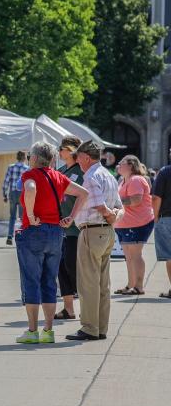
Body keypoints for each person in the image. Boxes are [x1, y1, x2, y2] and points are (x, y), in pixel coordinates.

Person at [13, 142, 88, 344]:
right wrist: (71, 217)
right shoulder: (58, 176)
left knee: (31, 280)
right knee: (49, 281)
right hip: (56, 232)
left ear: (35, 158)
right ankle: (48, 330)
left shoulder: (31, 174)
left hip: (34, 231)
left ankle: (31, 330)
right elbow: (84, 193)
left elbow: (29, 189)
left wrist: (29, 214)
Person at [67, 141, 123, 341]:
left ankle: (90, 327)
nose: (77, 160)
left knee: (88, 283)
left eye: (78, 156)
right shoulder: (108, 175)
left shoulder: (90, 176)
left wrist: (109, 214)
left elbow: (99, 205)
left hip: (92, 231)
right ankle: (100, 328)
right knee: (102, 284)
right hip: (106, 232)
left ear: (86, 157)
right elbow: (120, 206)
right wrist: (114, 216)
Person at [113, 154, 154, 295]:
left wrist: (116, 203)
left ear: (130, 165)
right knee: (129, 256)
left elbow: (136, 200)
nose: (118, 165)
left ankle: (139, 286)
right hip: (125, 224)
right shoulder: (123, 180)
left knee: (135, 255)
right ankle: (131, 285)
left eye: (121, 162)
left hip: (138, 223)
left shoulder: (136, 179)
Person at [56, 136, 83, 320]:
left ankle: (87, 305)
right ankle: (68, 309)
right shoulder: (59, 171)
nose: (60, 151)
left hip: (76, 228)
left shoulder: (81, 172)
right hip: (59, 228)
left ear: (74, 150)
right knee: (61, 268)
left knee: (72, 266)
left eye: (63, 148)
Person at [151, 149, 171, 299]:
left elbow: (156, 198)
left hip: (167, 218)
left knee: (170, 256)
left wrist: (156, 216)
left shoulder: (164, 172)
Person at [3, 151, 28, 245]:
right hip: (22, 192)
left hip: (12, 193)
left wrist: (4, 194)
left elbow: (6, 182)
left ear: (17, 157)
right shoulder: (27, 168)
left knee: (12, 216)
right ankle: (23, 235)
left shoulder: (11, 167)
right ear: (24, 158)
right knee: (22, 217)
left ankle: (9, 236)